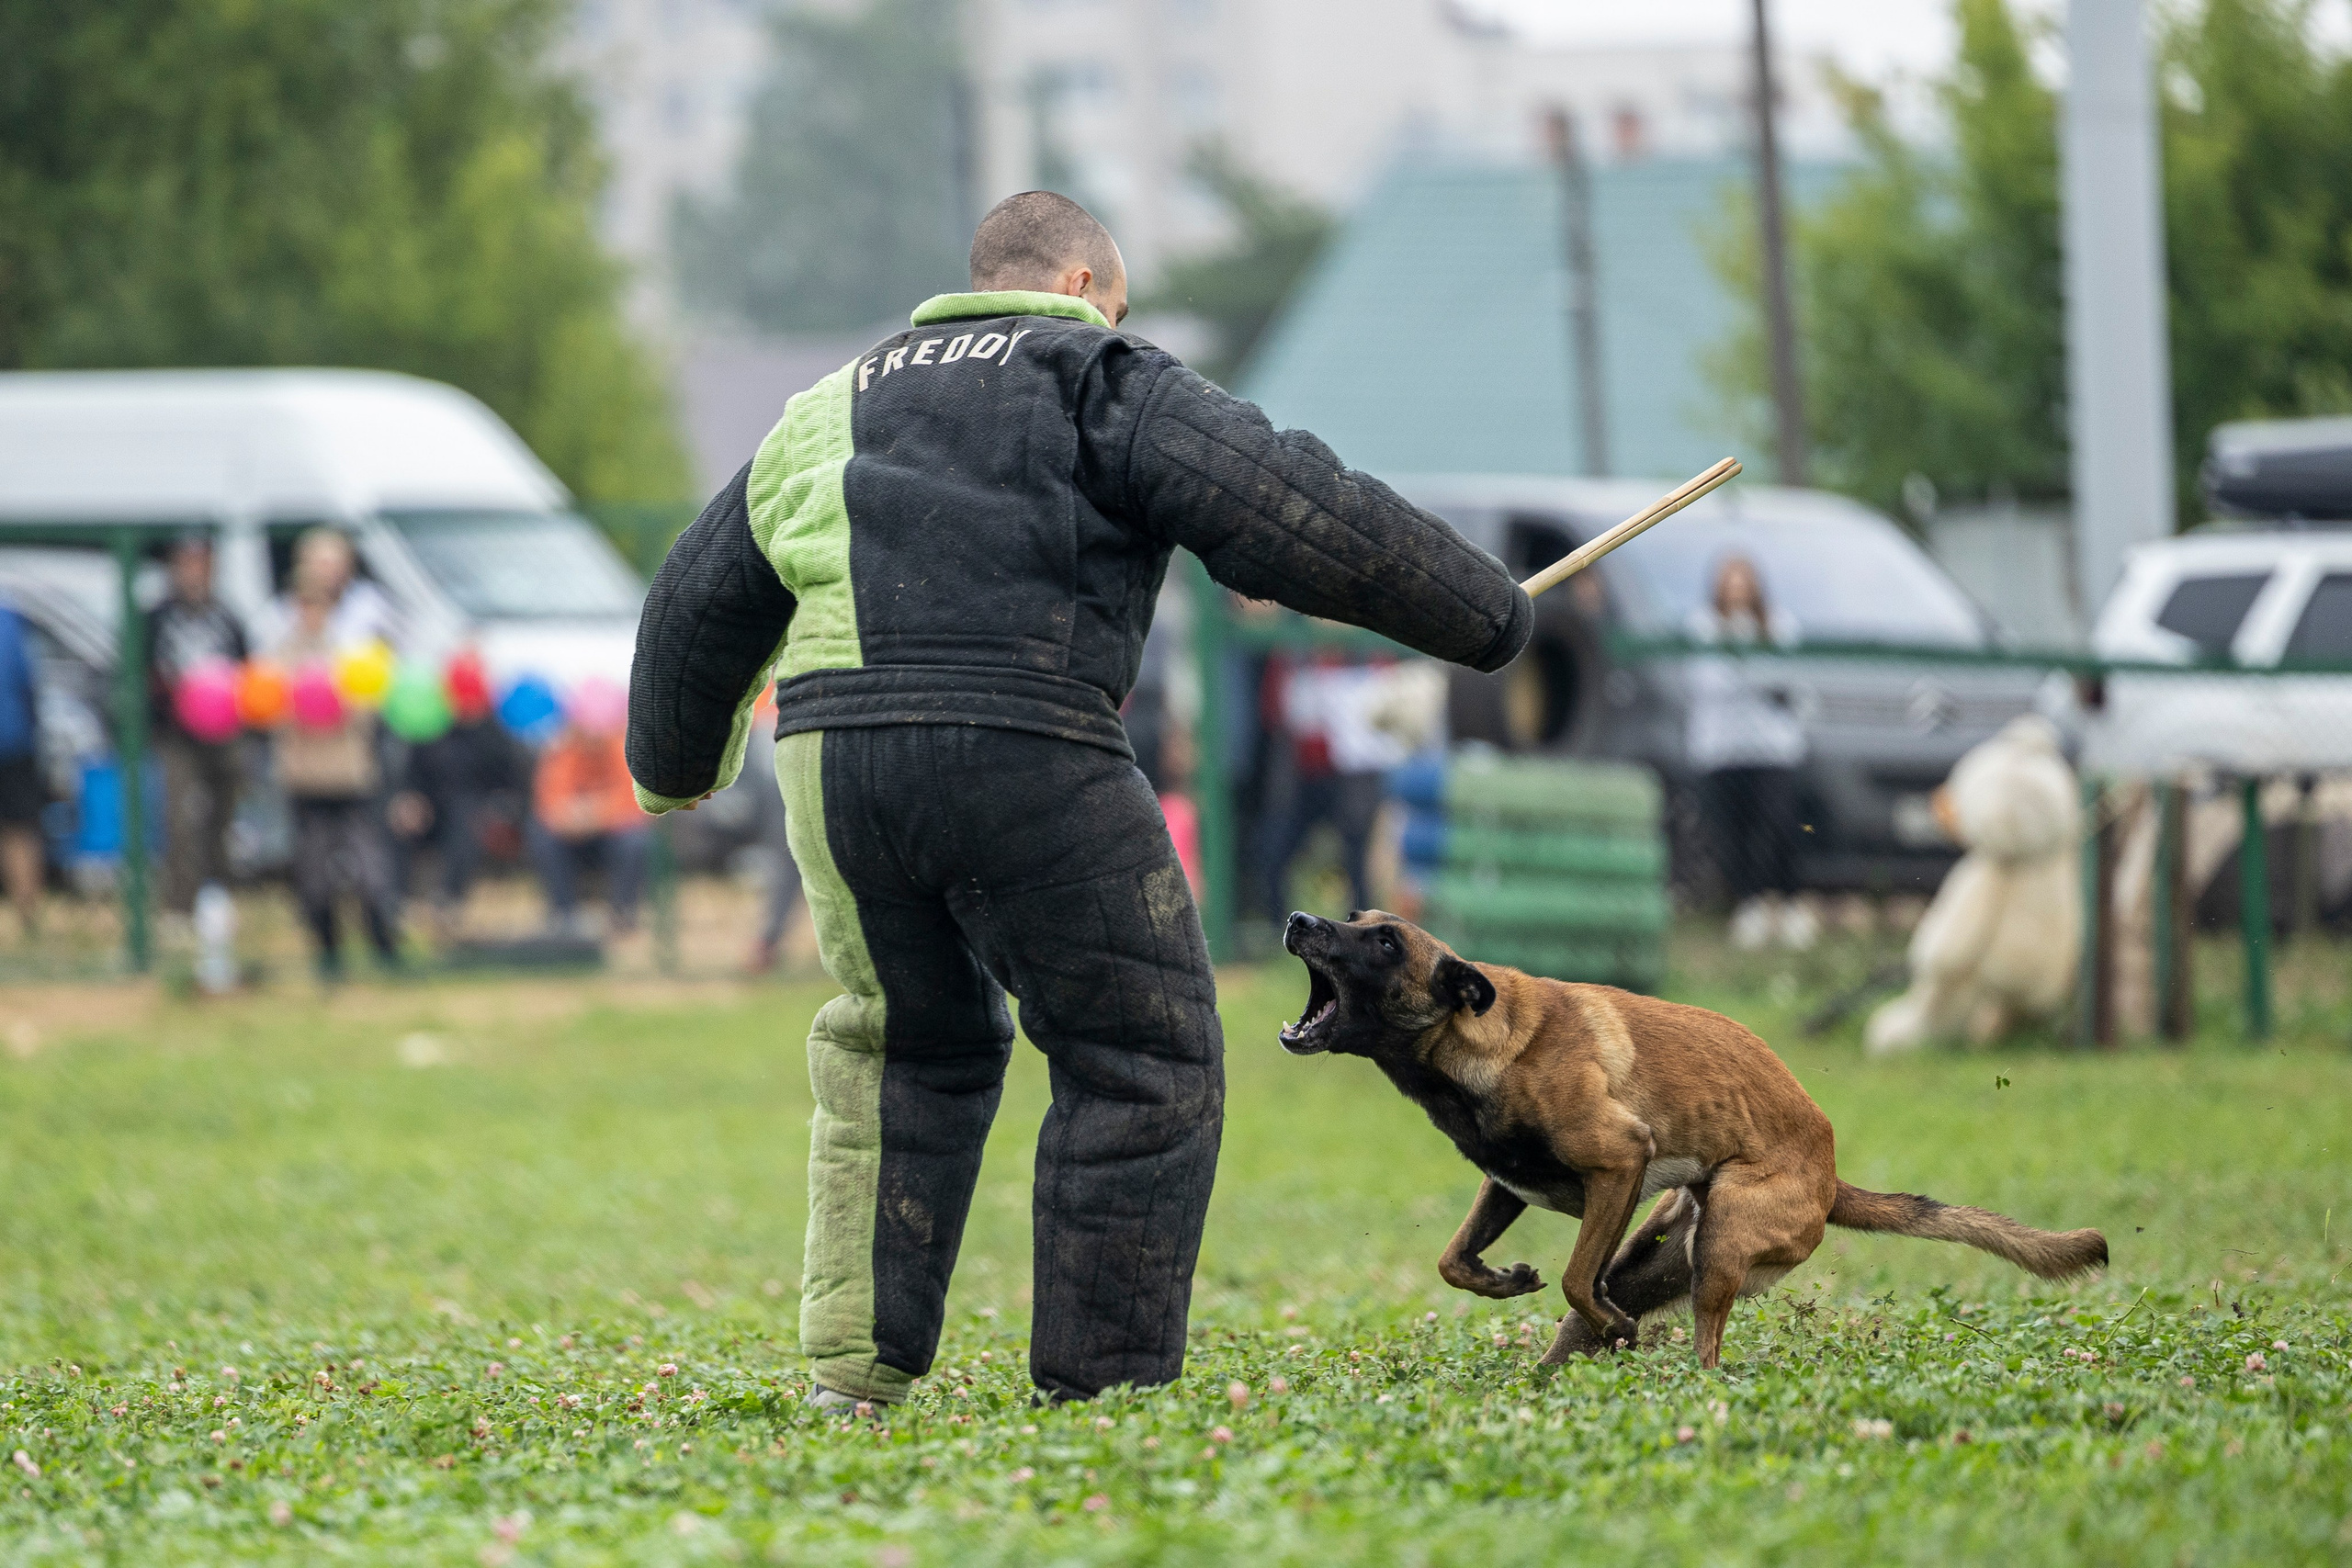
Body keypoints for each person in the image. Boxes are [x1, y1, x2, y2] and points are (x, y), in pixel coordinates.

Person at [627, 191, 1531, 1409]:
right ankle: (1099, 1390)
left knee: (902, 1043)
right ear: (1079, 286)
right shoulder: (1098, 375)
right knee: (1139, 1050)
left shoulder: (825, 406)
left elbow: (695, 596)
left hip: (837, 760)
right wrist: (1484, 613)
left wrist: (674, 766)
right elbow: (1290, 500)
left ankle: (854, 1377)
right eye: (1119, 303)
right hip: (1027, 741)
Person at [271, 576, 402, 977]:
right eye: (305, 605)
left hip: (350, 778)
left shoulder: (348, 656)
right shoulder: (282, 658)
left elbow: (369, 711)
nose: (311, 614)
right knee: (314, 875)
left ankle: (384, 948)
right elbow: (270, 712)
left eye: (319, 605)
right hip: (306, 780)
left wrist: (340, 704)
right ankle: (329, 955)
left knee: (369, 868)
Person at [1686, 551, 1815, 950]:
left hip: (1773, 750)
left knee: (1781, 826)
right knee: (1732, 832)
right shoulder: (1702, 626)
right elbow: (1709, 682)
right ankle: (1750, 904)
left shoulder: (1780, 624)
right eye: (1731, 582)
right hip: (1721, 750)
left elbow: (1791, 682)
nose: (1738, 591)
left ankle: (1789, 903)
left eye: (1744, 582)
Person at [388, 651, 528, 939]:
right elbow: (413, 776)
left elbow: (514, 782)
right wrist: (410, 801)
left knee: (464, 820)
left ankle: (448, 900)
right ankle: (396, 902)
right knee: (396, 826)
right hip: (431, 809)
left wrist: (502, 807)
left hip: (476, 812)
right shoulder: (431, 727)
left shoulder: (495, 733)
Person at [146, 534, 249, 920]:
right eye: (186, 564)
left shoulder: (227, 617)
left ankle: (218, 899)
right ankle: (179, 905)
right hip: (176, 736)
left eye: (201, 564)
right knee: (179, 819)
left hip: (224, 734)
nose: (194, 573)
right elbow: (140, 672)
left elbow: (247, 671)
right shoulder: (157, 618)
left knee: (223, 817)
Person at [528, 679, 650, 937]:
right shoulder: (562, 750)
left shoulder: (625, 749)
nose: (594, 740)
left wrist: (596, 814)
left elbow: (634, 802)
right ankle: (563, 915)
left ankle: (622, 915)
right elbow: (549, 802)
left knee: (635, 841)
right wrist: (570, 818)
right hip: (571, 836)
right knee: (542, 836)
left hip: (611, 835)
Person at [0, 596, 43, 941]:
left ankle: (28, 917)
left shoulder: (10, 619)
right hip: (14, 738)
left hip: (13, 738)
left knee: (19, 829)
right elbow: (29, 683)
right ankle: (27, 916)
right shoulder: (10, 620)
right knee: (19, 830)